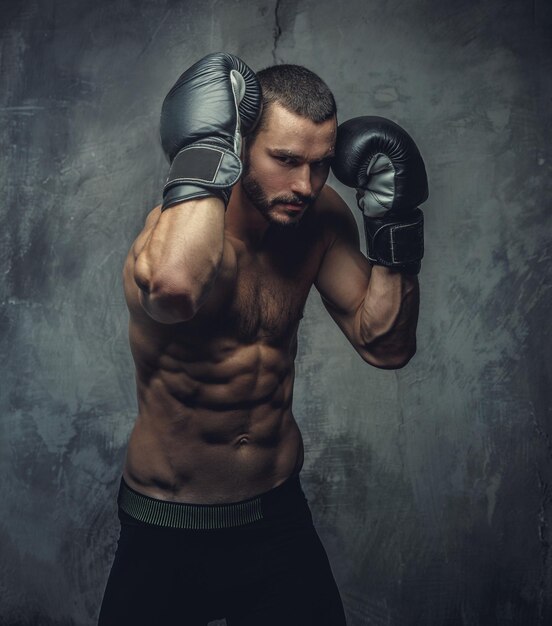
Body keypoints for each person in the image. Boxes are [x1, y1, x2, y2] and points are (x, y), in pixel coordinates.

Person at [98, 52, 427, 626]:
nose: (306, 184)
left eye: (322, 164)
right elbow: (175, 290)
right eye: (285, 160)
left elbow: (386, 345)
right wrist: (201, 157)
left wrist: (394, 232)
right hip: (167, 524)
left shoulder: (318, 219)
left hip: (276, 516)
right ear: (237, 143)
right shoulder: (176, 232)